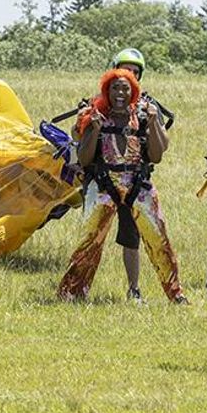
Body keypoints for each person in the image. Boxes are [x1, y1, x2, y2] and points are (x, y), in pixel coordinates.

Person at [58, 68, 187, 304]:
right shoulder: (96, 117)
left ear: (133, 92)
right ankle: (71, 293)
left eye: (125, 88)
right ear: (107, 91)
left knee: (160, 240)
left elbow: (157, 156)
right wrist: (94, 129)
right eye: (115, 88)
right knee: (89, 242)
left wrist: (154, 122)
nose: (120, 93)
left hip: (139, 186)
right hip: (104, 187)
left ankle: (175, 294)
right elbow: (84, 159)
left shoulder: (142, 118)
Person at [104, 48, 175, 302]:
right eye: (125, 70)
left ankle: (134, 289)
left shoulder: (148, 106)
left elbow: (162, 147)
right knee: (91, 238)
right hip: (104, 181)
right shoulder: (103, 100)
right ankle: (75, 289)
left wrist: (154, 121)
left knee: (135, 237)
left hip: (135, 182)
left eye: (135, 72)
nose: (130, 76)